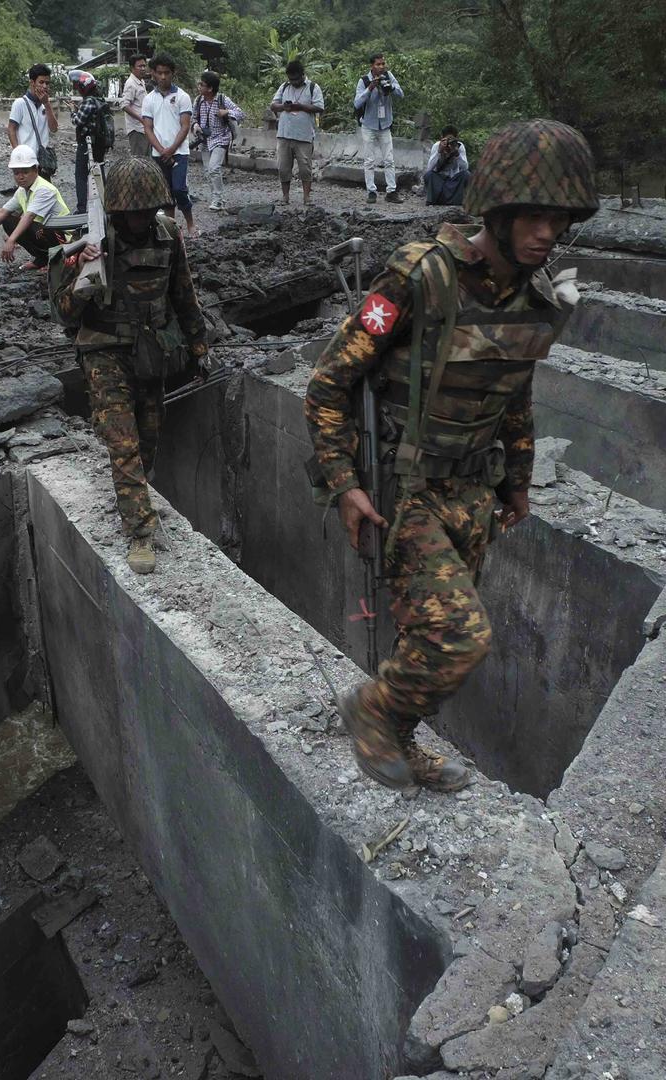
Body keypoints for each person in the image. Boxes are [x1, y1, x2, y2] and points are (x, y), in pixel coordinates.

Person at [303, 119, 599, 792]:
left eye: (559, 220)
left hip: (472, 496)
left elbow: (515, 394)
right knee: (460, 637)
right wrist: (344, 483)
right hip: (406, 492)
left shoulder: (535, 295)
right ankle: (372, 710)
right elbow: (328, 384)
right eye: (533, 216)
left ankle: (400, 741)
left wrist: (517, 484)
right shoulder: (419, 278)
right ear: (496, 211)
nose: (547, 233)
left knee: (426, 636)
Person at [52, 157, 210, 575]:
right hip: (103, 350)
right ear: (117, 209)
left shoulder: (167, 235)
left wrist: (198, 345)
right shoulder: (88, 241)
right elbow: (65, 314)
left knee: (148, 437)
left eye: (147, 210)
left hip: (151, 349)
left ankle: (135, 491)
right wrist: (86, 272)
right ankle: (140, 530)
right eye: (132, 212)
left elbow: (184, 294)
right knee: (122, 440)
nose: (141, 218)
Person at [0, 144, 71, 268]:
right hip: (45, 232)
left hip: (63, 238)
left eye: (25, 172)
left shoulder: (44, 189)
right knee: (8, 220)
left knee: (31, 225)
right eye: (16, 173)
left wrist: (11, 240)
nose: (20, 177)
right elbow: (3, 212)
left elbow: (29, 216)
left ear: (36, 170)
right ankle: (42, 259)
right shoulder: (22, 190)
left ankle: (57, 259)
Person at [141, 53, 194, 237]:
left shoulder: (182, 97)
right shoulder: (149, 99)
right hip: (158, 154)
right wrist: (161, 149)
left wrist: (171, 149)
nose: (163, 77)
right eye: (159, 73)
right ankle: (172, 229)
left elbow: (185, 126)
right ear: (153, 74)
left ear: (173, 73)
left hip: (179, 152)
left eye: (167, 73)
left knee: (179, 189)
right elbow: (148, 128)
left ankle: (190, 223)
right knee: (165, 196)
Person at [271, 60, 324, 205]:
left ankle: (307, 197)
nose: (293, 82)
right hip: (284, 134)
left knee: (305, 168)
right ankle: (285, 197)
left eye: (296, 79)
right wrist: (284, 106)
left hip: (304, 135)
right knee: (283, 167)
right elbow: (273, 105)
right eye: (291, 79)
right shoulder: (284, 87)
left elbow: (319, 107)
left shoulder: (313, 87)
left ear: (302, 75)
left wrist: (301, 107)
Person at [354, 53, 404, 203]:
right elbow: (357, 103)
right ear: (372, 66)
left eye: (383, 64)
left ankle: (391, 191)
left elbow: (401, 94)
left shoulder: (389, 76)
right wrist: (370, 88)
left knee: (389, 159)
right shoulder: (363, 81)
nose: (381, 67)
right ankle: (371, 191)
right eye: (378, 64)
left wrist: (390, 86)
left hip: (385, 124)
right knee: (369, 160)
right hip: (369, 125)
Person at [193, 71, 244, 212]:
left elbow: (241, 113)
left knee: (214, 168)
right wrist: (195, 126)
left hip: (220, 138)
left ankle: (218, 199)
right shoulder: (198, 101)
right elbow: (193, 118)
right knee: (208, 170)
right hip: (204, 140)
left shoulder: (222, 99)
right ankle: (216, 197)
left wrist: (226, 112)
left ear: (210, 88)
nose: (199, 86)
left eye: (201, 84)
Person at [69, 69, 114, 215]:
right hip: (100, 144)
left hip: (87, 143)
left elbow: (78, 121)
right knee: (99, 173)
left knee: (80, 175)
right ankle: (105, 204)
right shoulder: (99, 100)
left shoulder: (88, 101)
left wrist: (72, 112)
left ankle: (81, 208)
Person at [8, 63, 59, 177]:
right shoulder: (20, 103)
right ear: (32, 83)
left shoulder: (45, 105)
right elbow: (11, 129)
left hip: (42, 161)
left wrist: (47, 104)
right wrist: (18, 153)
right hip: (26, 161)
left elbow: (54, 128)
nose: (45, 86)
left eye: (47, 83)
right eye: (41, 82)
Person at [423, 125, 470, 206]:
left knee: (466, 175)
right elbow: (429, 168)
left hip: (453, 180)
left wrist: (457, 154)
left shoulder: (460, 146)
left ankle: (446, 199)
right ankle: (445, 200)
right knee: (428, 175)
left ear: (456, 138)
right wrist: (439, 151)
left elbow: (465, 167)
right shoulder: (437, 145)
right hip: (439, 180)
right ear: (442, 138)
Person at [120, 55, 150, 159]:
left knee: (146, 160)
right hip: (136, 130)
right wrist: (141, 119)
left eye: (144, 66)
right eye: (140, 66)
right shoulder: (130, 83)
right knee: (139, 161)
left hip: (143, 129)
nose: (143, 68)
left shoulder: (141, 81)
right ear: (132, 68)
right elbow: (124, 105)